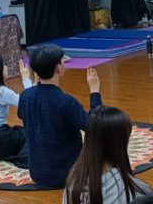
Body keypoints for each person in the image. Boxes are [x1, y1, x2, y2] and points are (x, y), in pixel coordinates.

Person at [17, 44, 102, 188]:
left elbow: (22, 115)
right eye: (62, 62)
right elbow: (94, 126)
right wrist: (94, 91)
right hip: (67, 174)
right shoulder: (65, 101)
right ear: (58, 68)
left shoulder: (26, 96)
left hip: (37, 172)